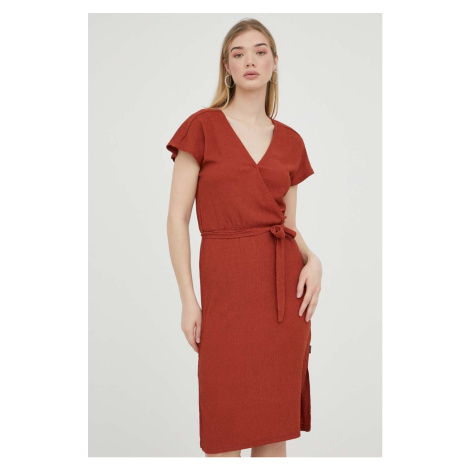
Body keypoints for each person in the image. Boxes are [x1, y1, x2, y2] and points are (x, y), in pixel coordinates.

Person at [166, 18, 322, 458]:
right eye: (238, 53)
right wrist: (189, 300)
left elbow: (288, 225)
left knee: (274, 433)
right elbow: (177, 219)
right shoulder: (202, 126)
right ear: (227, 67)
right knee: (223, 434)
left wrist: (313, 260)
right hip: (226, 296)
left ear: (274, 63)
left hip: (283, 300)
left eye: (259, 51)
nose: (250, 60)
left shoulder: (291, 142)